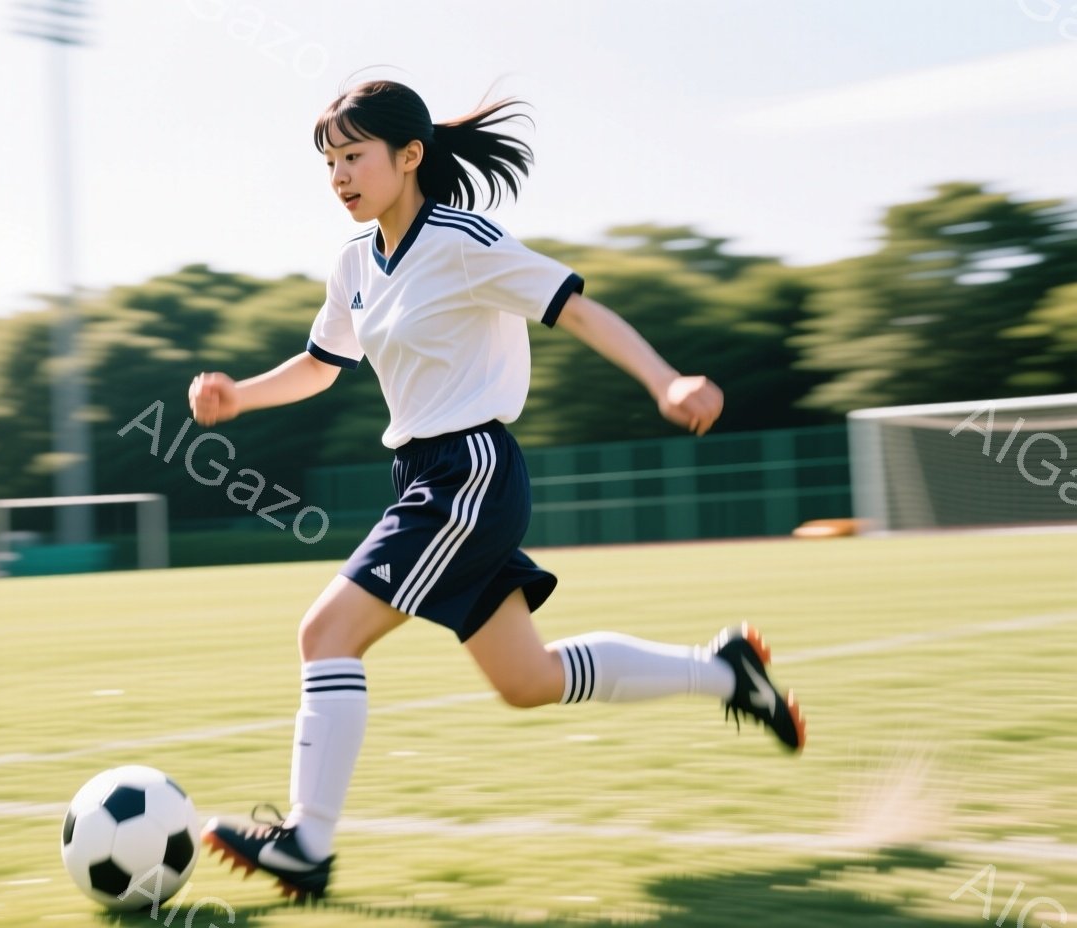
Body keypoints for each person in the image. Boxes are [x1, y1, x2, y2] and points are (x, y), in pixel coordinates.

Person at [187, 80, 805, 902]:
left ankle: (307, 844)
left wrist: (667, 380)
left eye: (354, 156)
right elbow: (320, 366)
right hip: (423, 478)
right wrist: (239, 397)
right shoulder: (353, 264)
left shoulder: (463, 240)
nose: (339, 175)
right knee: (528, 681)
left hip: (468, 473)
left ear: (410, 157)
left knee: (326, 635)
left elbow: (578, 311)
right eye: (329, 161)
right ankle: (728, 673)